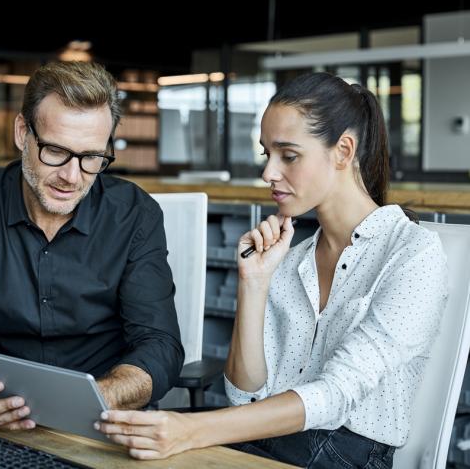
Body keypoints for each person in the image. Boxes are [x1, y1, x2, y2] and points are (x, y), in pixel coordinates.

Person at [96, 72, 448, 468]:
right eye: (267, 154)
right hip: (275, 441)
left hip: (348, 455)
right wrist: (254, 283)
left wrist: (192, 430)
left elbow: (335, 396)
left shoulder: (413, 254)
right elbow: (244, 396)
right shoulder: (292, 259)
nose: (268, 173)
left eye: (289, 156)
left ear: (343, 151)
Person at [0, 61, 184, 432]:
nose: (71, 176)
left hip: (104, 418)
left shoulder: (136, 215)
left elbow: (159, 345)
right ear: (22, 133)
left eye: (91, 157)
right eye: (54, 151)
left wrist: (99, 397)